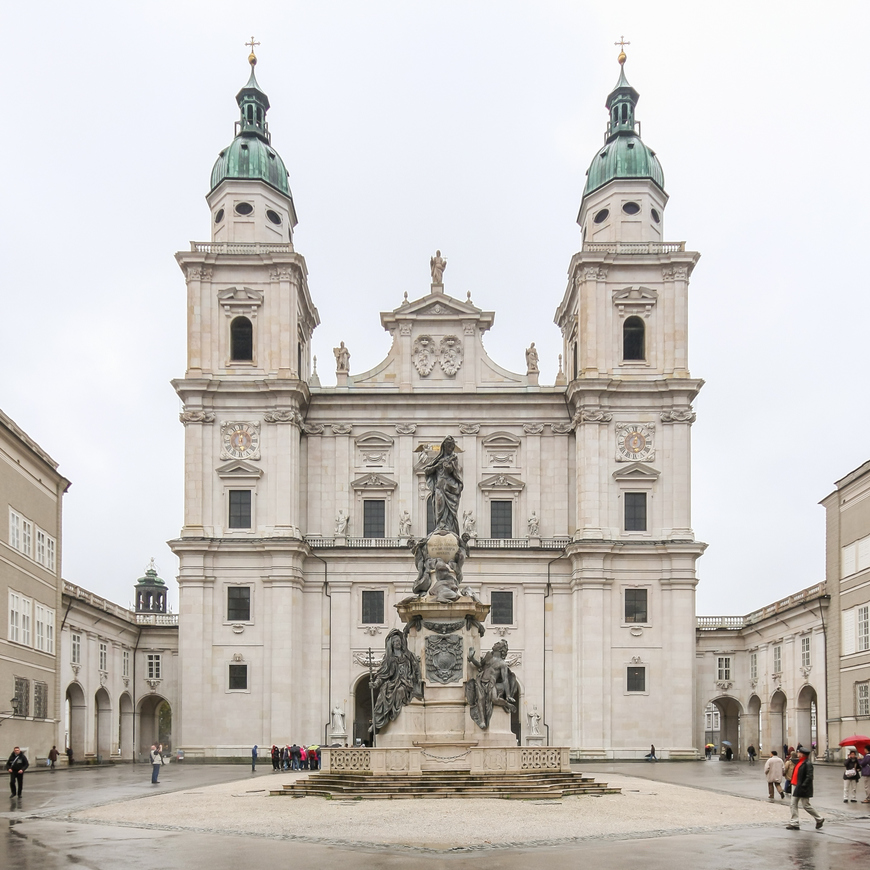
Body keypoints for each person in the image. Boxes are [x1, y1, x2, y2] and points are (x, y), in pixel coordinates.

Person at [371, 629, 424, 733]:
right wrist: (375, 683)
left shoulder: (408, 656)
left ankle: (387, 718)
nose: (398, 643)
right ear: (392, 644)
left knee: (400, 691)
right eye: (395, 642)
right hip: (394, 682)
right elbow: (383, 674)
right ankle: (377, 721)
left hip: (406, 683)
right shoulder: (389, 659)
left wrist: (417, 678)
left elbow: (416, 669)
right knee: (383, 693)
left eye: (399, 641)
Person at [424, 436, 463, 536]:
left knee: (449, 511)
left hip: (450, 488)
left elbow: (454, 472)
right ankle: (440, 525)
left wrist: (449, 467)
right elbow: (427, 470)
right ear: (444, 447)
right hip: (439, 487)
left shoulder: (453, 459)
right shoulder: (438, 460)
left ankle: (447, 526)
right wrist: (437, 466)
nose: (450, 449)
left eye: (452, 447)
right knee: (439, 505)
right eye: (449, 446)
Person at [786, 746, 824, 830]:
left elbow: (809, 776)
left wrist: (803, 785)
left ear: (802, 754)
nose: (798, 753)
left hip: (801, 787)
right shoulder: (799, 762)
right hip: (795, 785)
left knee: (805, 805)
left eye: (799, 752)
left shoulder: (807, 763)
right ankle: (794, 822)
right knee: (793, 804)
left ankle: (819, 818)